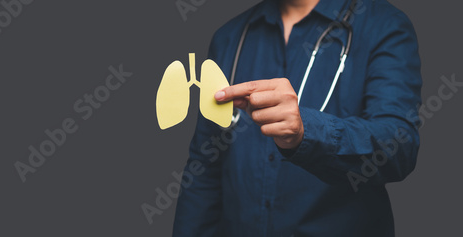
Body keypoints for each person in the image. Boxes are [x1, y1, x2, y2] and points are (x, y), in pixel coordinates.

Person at [173, 0, 422, 236]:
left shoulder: (384, 26)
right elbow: (204, 166)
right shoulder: (230, 38)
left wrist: (308, 131)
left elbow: (399, 146)